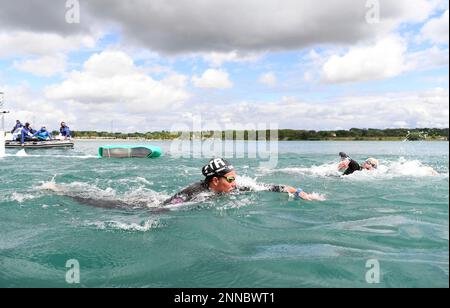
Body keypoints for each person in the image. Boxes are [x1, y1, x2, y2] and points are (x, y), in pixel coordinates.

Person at [163, 158, 321, 205]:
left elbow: (267, 187)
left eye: (235, 179)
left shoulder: (234, 188)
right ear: (216, 180)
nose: (234, 183)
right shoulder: (194, 192)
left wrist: (298, 191)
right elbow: (165, 207)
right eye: (230, 179)